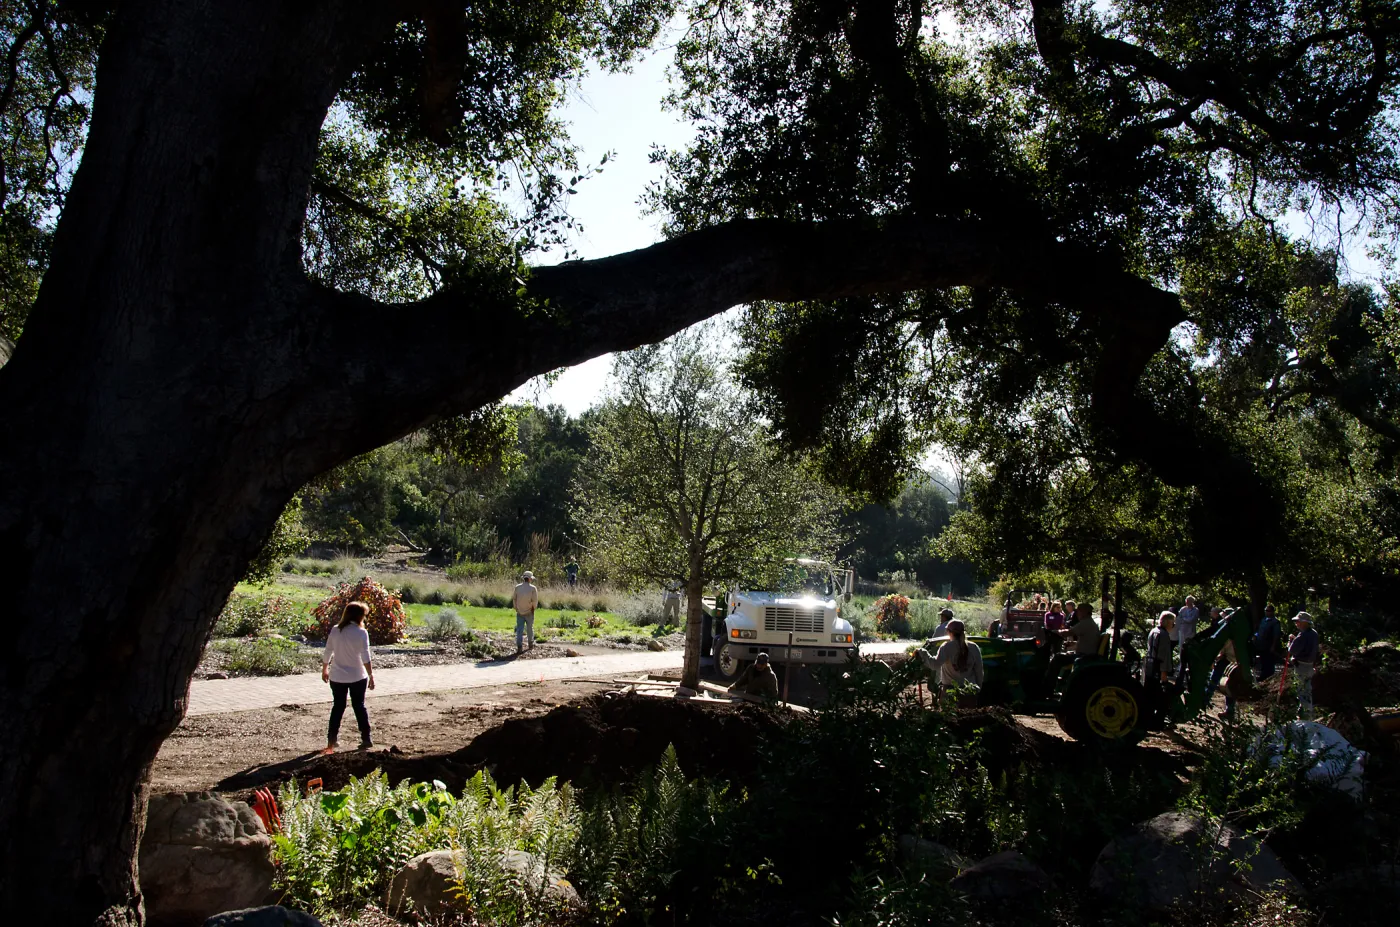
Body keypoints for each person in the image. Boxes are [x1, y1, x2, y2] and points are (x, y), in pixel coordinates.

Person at [322, 601, 375, 753]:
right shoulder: (361, 632)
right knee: (359, 706)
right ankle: (366, 738)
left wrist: (325, 669)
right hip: (358, 676)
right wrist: (371, 675)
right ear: (359, 616)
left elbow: (328, 651)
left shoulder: (335, 630)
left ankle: (332, 739)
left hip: (337, 676)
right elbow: (365, 656)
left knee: (338, 706)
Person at [918, 619, 985, 705]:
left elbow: (935, 665)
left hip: (950, 692)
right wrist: (978, 688)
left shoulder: (946, 647)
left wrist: (922, 652)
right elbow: (979, 671)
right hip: (969, 691)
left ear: (949, 632)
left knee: (949, 717)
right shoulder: (974, 647)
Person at [1143, 611, 1175, 723]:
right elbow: (1162, 656)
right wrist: (1164, 673)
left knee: (1149, 693)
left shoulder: (1153, 631)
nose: (1173, 625)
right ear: (1167, 622)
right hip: (1157, 668)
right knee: (1161, 697)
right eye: (1172, 622)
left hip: (1150, 666)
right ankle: (1158, 721)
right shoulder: (1163, 635)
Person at [1287, 612, 1320, 720]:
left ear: (1304, 623)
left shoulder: (1303, 635)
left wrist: (1291, 641)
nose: (1296, 623)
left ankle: (1305, 716)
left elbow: (1292, 650)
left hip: (1301, 666)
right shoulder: (1314, 634)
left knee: (1302, 690)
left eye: (1298, 621)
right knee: (1307, 689)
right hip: (1310, 666)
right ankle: (1305, 712)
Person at [1175, 596, 1201, 682]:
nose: (1186, 602)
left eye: (1188, 601)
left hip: (1191, 632)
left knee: (1189, 648)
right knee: (1181, 647)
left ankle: (1190, 665)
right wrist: (1183, 620)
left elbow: (1191, 620)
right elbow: (1178, 618)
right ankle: (1181, 665)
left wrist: (1183, 619)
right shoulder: (1183, 609)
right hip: (1182, 631)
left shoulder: (1195, 610)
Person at [513, 570, 539, 654]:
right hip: (529, 611)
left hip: (519, 611)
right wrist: (533, 608)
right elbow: (535, 601)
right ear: (530, 579)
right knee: (529, 628)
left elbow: (514, 599)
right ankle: (530, 644)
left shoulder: (517, 587)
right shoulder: (533, 588)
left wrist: (516, 608)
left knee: (519, 630)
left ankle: (519, 646)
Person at [1254, 604, 1283, 680]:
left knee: (1269, 662)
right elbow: (1259, 631)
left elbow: (1276, 635)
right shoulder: (1263, 620)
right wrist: (1255, 636)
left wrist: (1273, 646)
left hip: (1269, 646)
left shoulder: (1275, 622)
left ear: (1273, 612)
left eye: (1268, 611)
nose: (1266, 612)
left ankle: (1269, 677)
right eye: (1265, 610)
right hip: (1261, 645)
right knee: (1263, 661)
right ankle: (1263, 677)